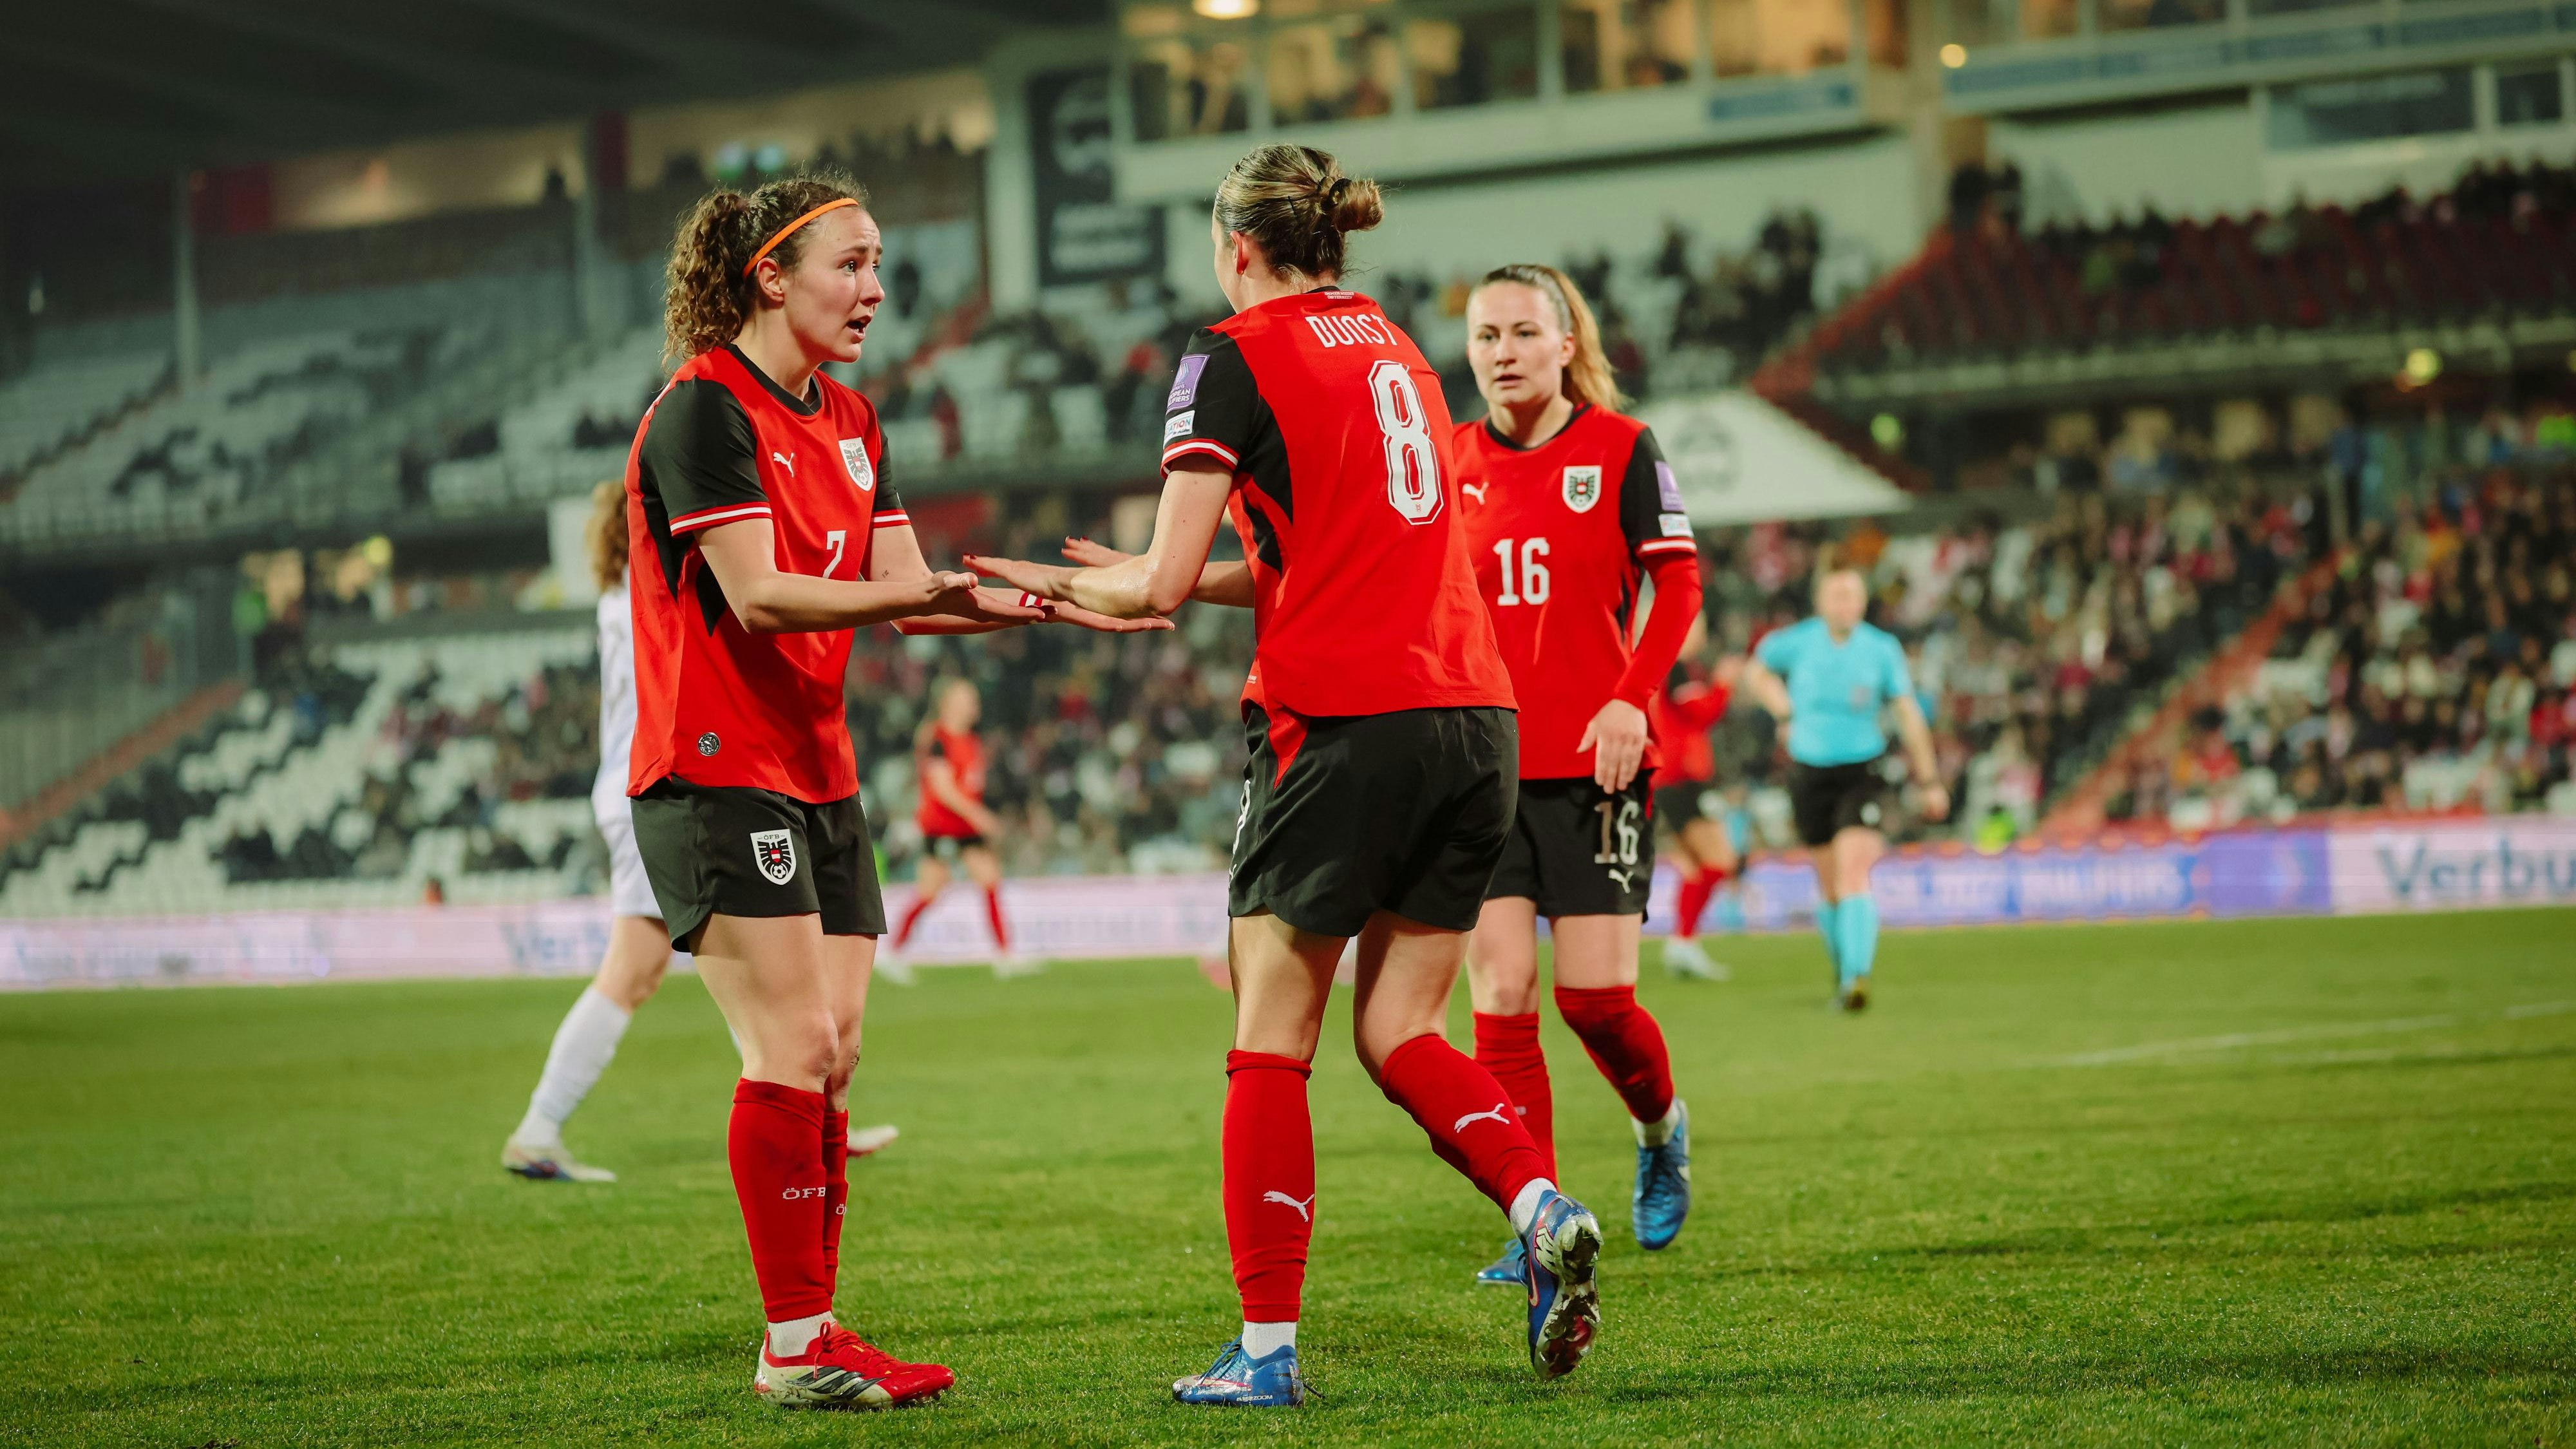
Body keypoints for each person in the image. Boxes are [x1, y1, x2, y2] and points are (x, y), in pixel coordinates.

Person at [968, 144, 1603, 1408]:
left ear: (1234, 247)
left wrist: (1046, 585)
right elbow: (1298, 554)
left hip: (1338, 720)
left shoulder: (1228, 352)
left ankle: (1263, 1352)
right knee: (1400, 1028)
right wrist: (1153, 575)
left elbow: (1155, 585)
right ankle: (1538, 1208)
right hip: (1473, 718)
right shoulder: (1396, 351)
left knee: (1271, 1038)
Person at [629, 172, 1157, 1412]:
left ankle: (812, 1336)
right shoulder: (701, 409)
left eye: (880, 267)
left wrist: (1044, 601)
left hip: (819, 771)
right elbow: (761, 595)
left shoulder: (857, 419)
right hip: (714, 765)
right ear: (769, 276)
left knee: (839, 1052)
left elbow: (906, 583)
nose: (876, 290)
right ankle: (797, 1343)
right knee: (793, 1045)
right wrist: (922, 597)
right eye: (851, 265)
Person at [502, 480, 899, 1184]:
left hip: (649, 782)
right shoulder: (652, 588)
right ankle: (537, 1129)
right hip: (663, 784)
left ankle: (804, 1104)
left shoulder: (627, 589)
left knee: (748, 965)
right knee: (636, 970)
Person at [1448, 264, 1701, 1288]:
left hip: (1597, 768)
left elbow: (1678, 582)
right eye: (1483, 336)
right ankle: (1539, 1219)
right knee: (1502, 988)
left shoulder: (1623, 448)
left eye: (1521, 332)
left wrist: (1630, 698)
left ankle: (1660, 1126)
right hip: (1481, 768)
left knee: (1595, 1003)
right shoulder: (1449, 462)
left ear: (1565, 344)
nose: (1502, 351)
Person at [1740, 569, 1949, 1011]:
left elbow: (1909, 714)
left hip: (1863, 772)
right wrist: (1782, 709)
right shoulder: (1796, 642)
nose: (1845, 603)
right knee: (1830, 883)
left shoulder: (1881, 649)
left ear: (1863, 601)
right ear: (1821, 601)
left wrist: (1929, 779)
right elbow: (1756, 671)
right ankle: (1843, 976)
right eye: (1837, 595)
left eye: (1853, 595)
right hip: (1809, 775)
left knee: (1854, 869)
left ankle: (1857, 978)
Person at [886, 678, 1014, 967]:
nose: (974, 707)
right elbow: (943, 790)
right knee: (930, 892)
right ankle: (893, 953)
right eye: (967, 700)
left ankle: (1006, 956)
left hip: (964, 828)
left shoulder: (971, 741)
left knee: (990, 880)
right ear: (948, 704)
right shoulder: (937, 738)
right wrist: (979, 815)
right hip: (942, 826)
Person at [1652, 618, 1741, 981]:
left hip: (1670, 780)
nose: (1697, 632)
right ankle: (1682, 942)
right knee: (1719, 862)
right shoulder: (1677, 667)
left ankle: (1683, 945)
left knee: (1693, 866)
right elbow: (1700, 714)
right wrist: (1724, 684)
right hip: (1682, 781)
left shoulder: (1669, 666)